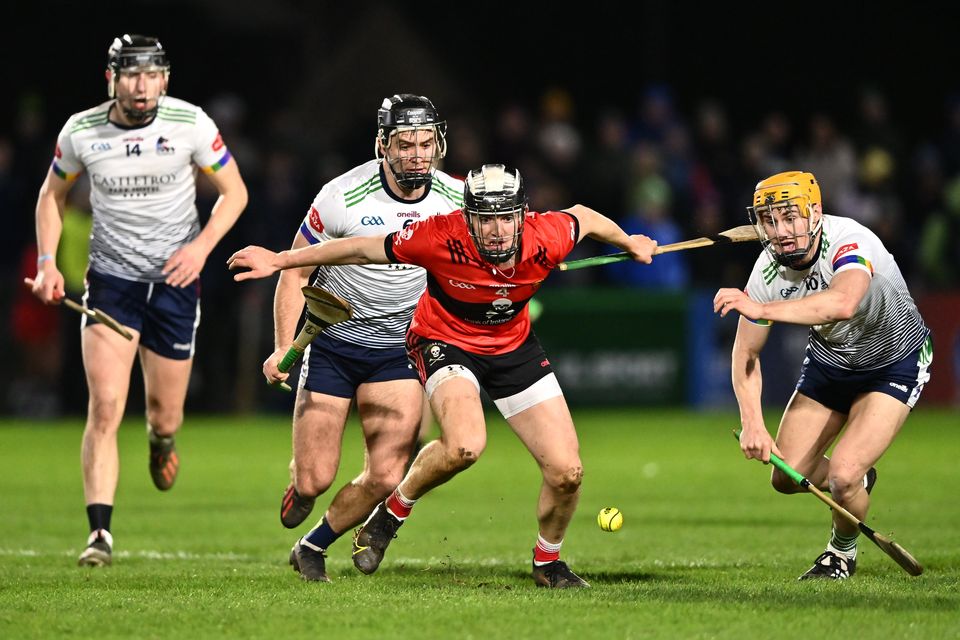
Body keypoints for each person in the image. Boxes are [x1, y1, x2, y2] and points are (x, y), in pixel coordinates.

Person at [229, 163, 657, 588]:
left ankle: (547, 562)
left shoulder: (547, 233)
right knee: (466, 445)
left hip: (512, 347)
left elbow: (587, 216)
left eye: (506, 218)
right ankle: (394, 513)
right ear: (467, 217)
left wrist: (629, 241)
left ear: (522, 215)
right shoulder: (437, 235)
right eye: (485, 219)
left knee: (568, 472)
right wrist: (283, 259)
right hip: (443, 340)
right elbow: (360, 249)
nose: (496, 230)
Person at [28, 34, 248, 567]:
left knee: (164, 416)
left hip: (175, 285)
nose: (142, 85)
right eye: (130, 75)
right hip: (112, 284)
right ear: (112, 79)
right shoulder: (82, 131)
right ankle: (99, 534)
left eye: (151, 74)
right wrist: (47, 262)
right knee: (104, 406)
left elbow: (235, 191)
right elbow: (51, 196)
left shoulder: (190, 123)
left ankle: (161, 440)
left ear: (165, 79)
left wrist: (199, 249)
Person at [266, 94, 464, 582]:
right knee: (316, 477)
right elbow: (293, 274)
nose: (417, 154)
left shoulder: (457, 198)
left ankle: (312, 546)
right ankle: (303, 486)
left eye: (426, 143)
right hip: (333, 343)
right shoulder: (341, 197)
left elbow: (506, 241)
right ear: (382, 145)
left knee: (385, 475)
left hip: (399, 349)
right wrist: (280, 345)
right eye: (404, 144)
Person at [713, 171, 932, 580]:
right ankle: (855, 480)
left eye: (790, 217)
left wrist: (761, 310)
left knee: (843, 477)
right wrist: (752, 423)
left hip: (893, 363)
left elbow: (843, 303)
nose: (781, 231)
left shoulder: (850, 240)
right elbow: (745, 355)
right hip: (831, 362)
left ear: (815, 212)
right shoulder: (766, 272)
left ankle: (840, 552)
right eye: (769, 220)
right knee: (785, 476)